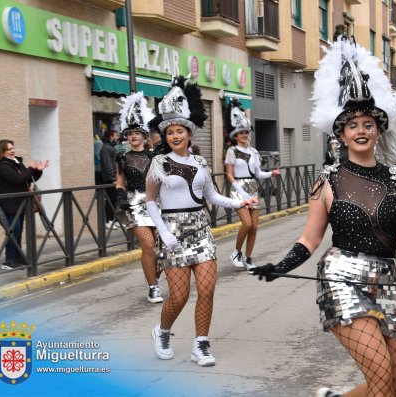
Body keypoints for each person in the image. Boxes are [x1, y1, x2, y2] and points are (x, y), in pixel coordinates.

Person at [252, 36, 396, 397]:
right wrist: (281, 266)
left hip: (391, 278)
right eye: (353, 125)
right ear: (341, 134)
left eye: (368, 124)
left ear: (379, 130)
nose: (361, 130)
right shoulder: (327, 181)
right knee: (380, 377)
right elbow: (310, 239)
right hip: (342, 278)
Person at [145, 76, 258, 366]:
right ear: (166, 135)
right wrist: (163, 234)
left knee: (207, 290)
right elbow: (150, 202)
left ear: (189, 133)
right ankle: (164, 331)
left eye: (179, 130)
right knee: (179, 297)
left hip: (200, 230)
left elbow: (212, 196)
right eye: (170, 132)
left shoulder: (201, 163)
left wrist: (240, 202)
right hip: (172, 232)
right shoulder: (159, 164)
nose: (174, 136)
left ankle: (201, 345)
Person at [114, 91, 163, 304]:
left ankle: (154, 277)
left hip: (157, 203)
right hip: (135, 204)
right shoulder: (122, 158)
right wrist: (121, 197)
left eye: (137, 133)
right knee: (148, 245)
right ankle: (153, 288)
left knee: (162, 249)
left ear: (144, 136)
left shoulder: (155, 156)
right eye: (129, 133)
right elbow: (119, 182)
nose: (133, 136)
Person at [224, 99, 281, 271]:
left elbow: (258, 174)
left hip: (252, 188)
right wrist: (239, 189)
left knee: (255, 226)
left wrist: (272, 173)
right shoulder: (232, 151)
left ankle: (248, 258)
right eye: (240, 132)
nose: (244, 135)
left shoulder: (254, 152)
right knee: (247, 224)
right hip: (238, 189)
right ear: (235, 135)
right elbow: (228, 174)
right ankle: (236, 252)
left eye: (246, 132)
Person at [0, 139, 49, 269]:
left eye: (13, 148)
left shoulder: (17, 163)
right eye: (9, 149)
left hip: (19, 203)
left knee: (18, 230)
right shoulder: (2, 166)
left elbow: (28, 178)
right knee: (13, 230)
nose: (13, 151)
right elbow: (18, 180)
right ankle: (8, 260)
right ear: (1, 152)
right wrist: (30, 168)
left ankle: (18, 257)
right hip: (8, 203)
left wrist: (38, 171)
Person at [100, 130, 120, 230]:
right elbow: (108, 164)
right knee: (110, 199)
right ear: (111, 136)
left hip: (114, 178)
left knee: (114, 199)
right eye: (116, 135)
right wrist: (112, 178)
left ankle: (113, 219)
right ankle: (108, 220)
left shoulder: (112, 147)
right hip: (109, 179)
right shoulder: (106, 148)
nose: (118, 137)